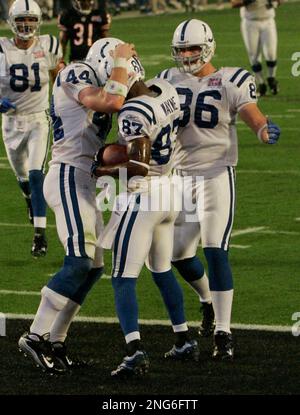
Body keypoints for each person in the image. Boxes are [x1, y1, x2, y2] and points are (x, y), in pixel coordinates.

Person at [157, 18, 280, 359]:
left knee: (214, 248)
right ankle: (207, 301)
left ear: (208, 45)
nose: (187, 55)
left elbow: (251, 113)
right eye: (182, 49)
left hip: (215, 174)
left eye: (193, 48)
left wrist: (263, 130)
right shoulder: (166, 80)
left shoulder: (231, 78)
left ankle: (224, 333)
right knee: (177, 255)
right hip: (178, 176)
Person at [18, 38, 137, 372]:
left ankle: (56, 340)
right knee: (78, 262)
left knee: (94, 265)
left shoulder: (93, 75)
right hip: (68, 175)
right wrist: (121, 62)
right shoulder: (75, 72)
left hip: (85, 177)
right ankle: (34, 334)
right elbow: (111, 100)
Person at [93, 38, 199, 377]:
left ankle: (134, 350)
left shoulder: (133, 112)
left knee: (122, 277)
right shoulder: (164, 87)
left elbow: (137, 166)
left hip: (147, 193)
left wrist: (103, 168)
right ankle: (184, 339)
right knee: (162, 268)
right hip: (171, 189)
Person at [0, 0, 63, 257]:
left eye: (31, 20)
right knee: (23, 178)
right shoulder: (2, 49)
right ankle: (28, 199)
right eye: (22, 21)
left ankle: (40, 234)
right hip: (11, 123)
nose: (26, 25)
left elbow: (59, 75)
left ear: (38, 22)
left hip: (39, 119)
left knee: (37, 174)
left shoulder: (49, 45)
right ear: (12, 23)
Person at [231, 0, 282, 96]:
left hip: (268, 20)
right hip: (250, 22)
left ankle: (271, 78)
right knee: (254, 56)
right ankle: (261, 83)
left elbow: (280, 1)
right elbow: (234, 3)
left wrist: (275, 2)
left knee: (271, 54)